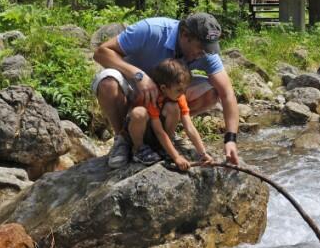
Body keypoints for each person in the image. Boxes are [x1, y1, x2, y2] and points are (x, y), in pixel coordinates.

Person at [93, 12, 240, 169]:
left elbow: (227, 94)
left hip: (169, 93)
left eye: (208, 49)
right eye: (201, 48)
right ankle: (123, 138)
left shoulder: (206, 53)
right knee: (107, 83)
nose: (204, 53)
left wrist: (230, 139)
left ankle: (164, 133)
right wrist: (138, 75)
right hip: (134, 86)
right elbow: (101, 53)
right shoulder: (151, 30)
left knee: (213, 92)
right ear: (184, 35)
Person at [127, 59, 214, 171]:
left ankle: (164, 147)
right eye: (179, 90)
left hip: (158, 134)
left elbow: (189, 126)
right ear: (163, 88)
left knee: (173, 108)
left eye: (184, 89)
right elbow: (159, 131)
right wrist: (176, 157)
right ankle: (138, 149)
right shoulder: (151, 97)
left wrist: (203, 153)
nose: (183, 93)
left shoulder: (179, 97)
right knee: (139, 113)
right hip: (142, 131)